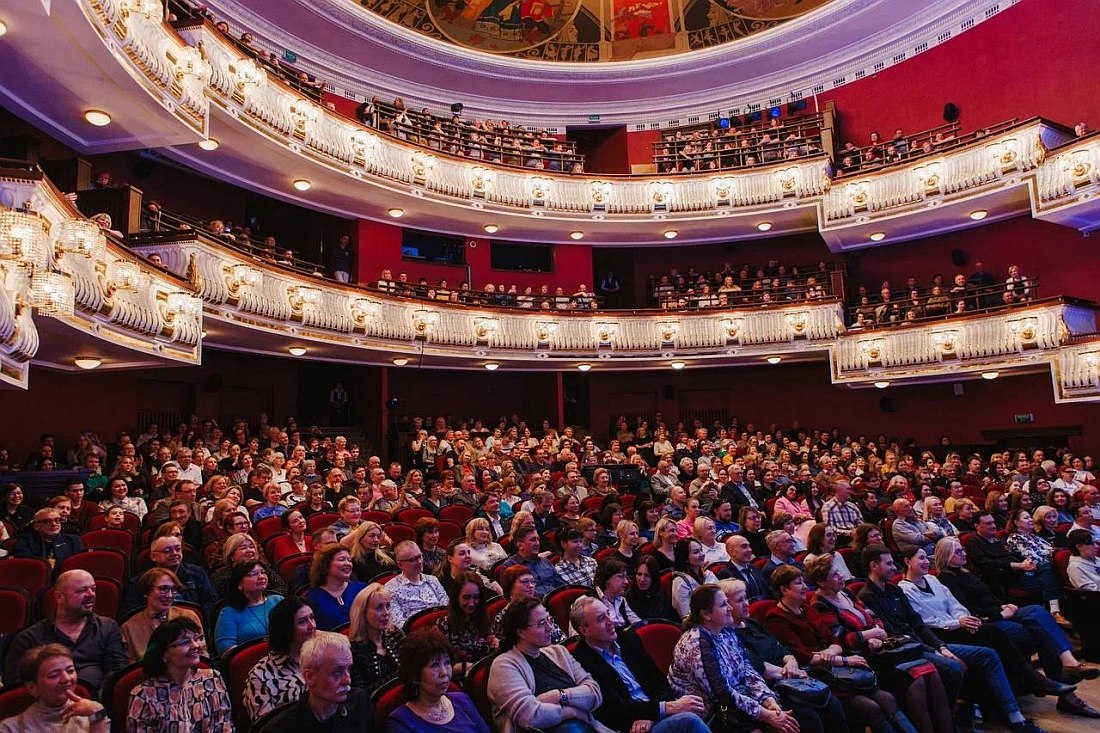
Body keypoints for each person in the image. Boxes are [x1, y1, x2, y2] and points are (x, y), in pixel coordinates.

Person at [856, 545, 1046, 733]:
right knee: (955, 666)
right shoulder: (868, 596)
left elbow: (918, 624)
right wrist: (936, 648)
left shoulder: (894, 590)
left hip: (929, 641)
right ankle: (957, 716)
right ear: (874, 565)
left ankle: (1013, 716)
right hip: (908, 649)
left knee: (988, 653)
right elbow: (895, 633)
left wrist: (941, 647)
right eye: (888, 563)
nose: (894, 567)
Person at [805, 555, 952, 733]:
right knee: (917, 682)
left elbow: (874, 616)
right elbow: (842, 639)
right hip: (863, 660)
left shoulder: (847, 593)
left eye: (839, 572)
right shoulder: (819, 604)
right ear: (821, 581)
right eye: (835, 575)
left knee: (932, 672)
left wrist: (876, 631)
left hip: (882, 649)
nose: (841, 576)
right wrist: (871, 634)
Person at [933, 537, 1099, 694]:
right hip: (987, 621)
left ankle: (1067, 665)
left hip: (999, 610)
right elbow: (966, 609)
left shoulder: (966, 572)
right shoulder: (946, 579)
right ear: (946, 555)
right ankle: (1062, 681)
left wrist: (1003, 604)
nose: (964, 554)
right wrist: (999, 614)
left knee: (1038, 612)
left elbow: (989, 595)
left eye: (962, 550)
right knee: (1036, 630)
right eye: (958, 552)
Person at [764, 565, 915, 733]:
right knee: (871, 707)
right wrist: (843, 659)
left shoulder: (807, 609)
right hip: (818, 676)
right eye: (799, 583)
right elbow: (803, 657)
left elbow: (834, 640)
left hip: (838, 668)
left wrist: (830, 653)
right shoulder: (776, 618)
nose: (806, 588)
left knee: (887, 698)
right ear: (784, 589)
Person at [667, 584, 799, 733]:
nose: (730, 608)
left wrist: (769, 702)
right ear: (706, 614)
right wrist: (766, 715)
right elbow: (722, 694)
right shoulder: (696, 643)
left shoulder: (726, 631)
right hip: (713, 711)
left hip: (739, 701)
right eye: (723, 604)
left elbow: (748, 671)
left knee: (799, 717)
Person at [724, 579, 850, 733]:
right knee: (810, 720)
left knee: (833, 704)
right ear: (727, 606)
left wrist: (790, 661)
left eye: (745, 598)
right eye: (739, 600)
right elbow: (758, 666)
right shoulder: (728, 636)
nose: (745, 603)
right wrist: (791, 672)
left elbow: (780, 648)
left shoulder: (752, 624)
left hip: (790, 677)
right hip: (769, 688)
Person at [569, 595, 709, 733]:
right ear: (584, 630)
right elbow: (615, 709)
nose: (610, 621)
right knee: (689, 720)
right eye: (601, 619)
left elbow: (659, 682)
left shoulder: (627, 639)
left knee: (697, 708)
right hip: (629, 726)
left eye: (607, 613)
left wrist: (652, 715)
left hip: (652, 716)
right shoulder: (581, 660)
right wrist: (664, 709)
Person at [487, 597, 611, 733]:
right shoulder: (504, 665)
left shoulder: (559, 652)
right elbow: (530, 716)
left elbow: (594, 693)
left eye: (549, 620)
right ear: (520, 632)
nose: (549, 627)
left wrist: (560, 696)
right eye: (541, 623)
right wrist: (573, 712)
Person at [4, 570, 126, 692]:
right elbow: (17, 685)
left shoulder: (107, 627)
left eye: (93, 589)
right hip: (50, 704)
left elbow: (116, 671)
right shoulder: (30, 638)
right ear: (59, 597)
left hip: (96, 702)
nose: (91, 594)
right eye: (82, 590)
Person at [126, 617, 233, 732]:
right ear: (164, 654)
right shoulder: (144, 696)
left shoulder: (212, 679)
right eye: (185, 642)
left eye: (197, 639)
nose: (195, 646)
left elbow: (224, 727)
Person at [387, 628, 490, 733]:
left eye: (447, 663)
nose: (444, 672)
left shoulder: (462, 700)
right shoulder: (401, 722)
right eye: (435, 665)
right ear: (415, 677)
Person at [270, 631, 374, 732]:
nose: (348, 680)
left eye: (349, 669)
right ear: (310, 677)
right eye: (337, 672)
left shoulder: (359, 701)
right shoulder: (280, 729)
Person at [0, 644, 110, 733]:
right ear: (32, 688)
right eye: (54, 675)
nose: (66, 679)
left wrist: (97, 717)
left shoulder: (93, 713)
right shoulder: (11, 728)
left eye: (70, 671)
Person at [243, 597, 317, 721]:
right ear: (285, 629)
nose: (312, 626)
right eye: (302, 621)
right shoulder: (261, 676)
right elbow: (265, 727)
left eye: (312, 617)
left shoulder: (323, 656)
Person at [120, 567, 206, 662]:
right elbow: (132, 670)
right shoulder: (129, 627)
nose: (169, 595)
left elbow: (203, 655)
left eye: (173, 589)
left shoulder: (189, 616)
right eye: (163, 589)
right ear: (146, 592)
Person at [214, 560, 284, 654]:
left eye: (263, 572)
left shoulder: (278, 600)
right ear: (239, 584)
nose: (261, 577)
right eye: (253, 574)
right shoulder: (229, 612)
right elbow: (226, 648)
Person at [436, 571, 498, 676]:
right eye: (466, 597)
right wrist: (464, 667)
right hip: (462, 678)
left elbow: (490, 642)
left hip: (488, 672)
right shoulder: (444, 626)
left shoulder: (483, 619)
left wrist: (495, 642)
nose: (472, 603)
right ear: (456, 597)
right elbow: (439, 670)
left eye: (476, 597)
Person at [348, 582, 405, 693]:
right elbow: (361, 694)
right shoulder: (353, 650)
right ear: (362, 613)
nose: (386, 613)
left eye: (388, 606)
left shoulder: (396, 635)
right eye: (379, 608)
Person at [492, 566, 567, 644]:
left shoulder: (539, 607)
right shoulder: (503, 617)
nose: (531, 585)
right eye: (525, 582)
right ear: (510, 587)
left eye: (533, 582)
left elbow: (559, 635)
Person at [385, 540, 450, 629]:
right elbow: (399, 623)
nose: (419, 562)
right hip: (414, 634)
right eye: (412, 560)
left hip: (441, 629)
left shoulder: (433, 580)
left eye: (420, 556)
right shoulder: (390, 588)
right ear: (400, 565)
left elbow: (446, 608)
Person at [306, 544, 367, 630]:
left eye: (349, 560)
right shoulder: (313, 597)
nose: (347, 564)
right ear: (326, 565)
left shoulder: (362, 589)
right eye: (341, 559)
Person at [13, 508, 84, 573]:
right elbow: (26, 568)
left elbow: (79, 566)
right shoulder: (25, 542)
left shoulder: (73, 540)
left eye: (57, 520)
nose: (54, 524)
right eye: (47, 521)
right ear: (36, 526)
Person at [498, 525, 562, 597]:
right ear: (520, 545)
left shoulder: (546, 562)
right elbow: (510, 595)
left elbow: (561, 586)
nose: (537, 543)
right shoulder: (510, 566)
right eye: (533, 540)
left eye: (538, 539)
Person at [671, 538, 719, 621]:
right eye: (696, 552)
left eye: (701, 550)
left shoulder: (709, 575)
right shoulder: (681, 582)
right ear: (685, 557)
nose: (702, 554)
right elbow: (686, 616)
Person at [625, 554, 679, 622]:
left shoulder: (660, 593)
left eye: (647, 575)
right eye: (639, 574)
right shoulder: (629, 595)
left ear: (654, 577)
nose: (642, 579)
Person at [717, 534, 771, 601]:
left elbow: (767, 591)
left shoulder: (754, 568)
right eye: (744, 547)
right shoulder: (725, 574)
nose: (749, 550)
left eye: (749, 546)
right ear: (731, 552)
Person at [593, 559, 641, 627]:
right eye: (621, 577)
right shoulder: (588, 601)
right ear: (607, 579)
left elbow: (638, 624)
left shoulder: (621, 600)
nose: (626, 582)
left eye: (626, 577)